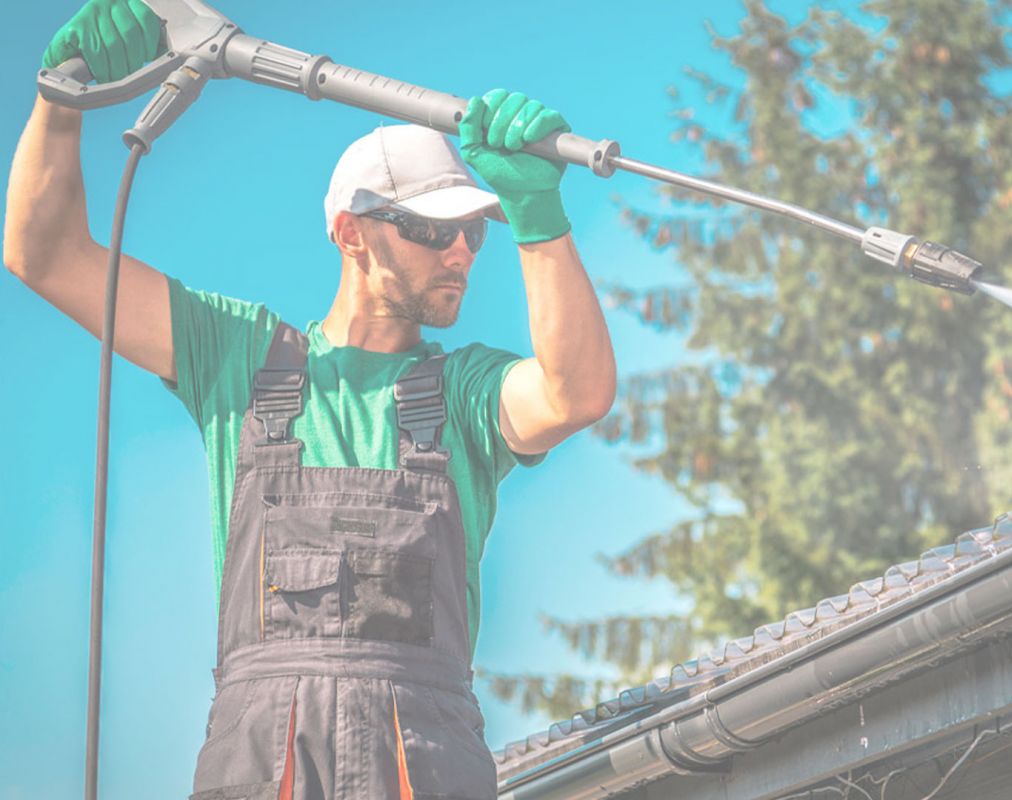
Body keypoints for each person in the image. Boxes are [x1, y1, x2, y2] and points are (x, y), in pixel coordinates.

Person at [4, 1, 616, 797]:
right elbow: (43, 254)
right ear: (351, 231)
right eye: (433, 230)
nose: (462, 251)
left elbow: (576, 394)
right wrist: (62, 97)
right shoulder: (240, 358)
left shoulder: (465, 394)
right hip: (263, 760)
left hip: (422, 760)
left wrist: (539, 218)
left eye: (475, 232)